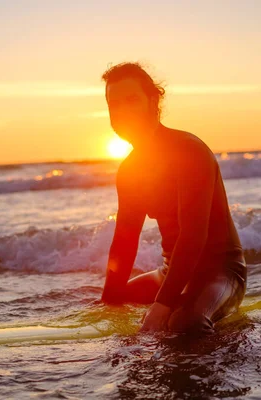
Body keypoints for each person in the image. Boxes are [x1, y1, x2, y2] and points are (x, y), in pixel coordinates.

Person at [99, 62, 246, 334]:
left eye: (131, 100)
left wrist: (161, 306)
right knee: (116, 300)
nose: (121, 111)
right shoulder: (129, 170)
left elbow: (193, 236)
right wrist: (108, 309)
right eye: (114, 104)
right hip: (171, 271)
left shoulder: (188, 152)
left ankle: (228, 345)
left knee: (184, 324)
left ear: (153, 100)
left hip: (219, 271)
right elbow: (124, 242)